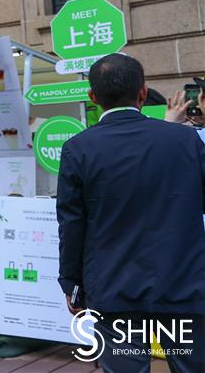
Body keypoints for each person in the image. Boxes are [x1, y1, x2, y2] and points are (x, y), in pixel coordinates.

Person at [57, 54, 205, 373]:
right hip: (182, 285)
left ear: (92, 97)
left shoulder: (78, 149)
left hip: (114, 291)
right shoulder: (185, 140)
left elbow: (71, 225)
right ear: (142, 92)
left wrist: (71, 282)